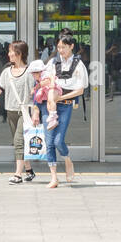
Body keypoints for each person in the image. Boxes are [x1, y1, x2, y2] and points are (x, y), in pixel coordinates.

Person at [0, 40, 36, 184]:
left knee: (19, 141)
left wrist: (35, 112)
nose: (9, 54)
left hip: (24, 112)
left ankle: (18, 175)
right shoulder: (7, 72)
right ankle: (29, 170)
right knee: (18, 142)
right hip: (10, 111)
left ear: (19, 54)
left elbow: (34, 94)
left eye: (12, 51)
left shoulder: (29, 72)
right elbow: (0, 87)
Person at [40, 33, 86, 187]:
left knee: (59, 140)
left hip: (65, 104)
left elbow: (80, 90)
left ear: (71, 46)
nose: (60, 50)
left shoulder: (79, 64)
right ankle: (54, 177)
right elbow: (42, 80)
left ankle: (67, 160)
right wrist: (48, 82)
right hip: (50, 103)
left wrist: (61, 98)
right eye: (59, 47)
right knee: (49, 141)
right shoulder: (53, 62)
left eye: (63, 47)